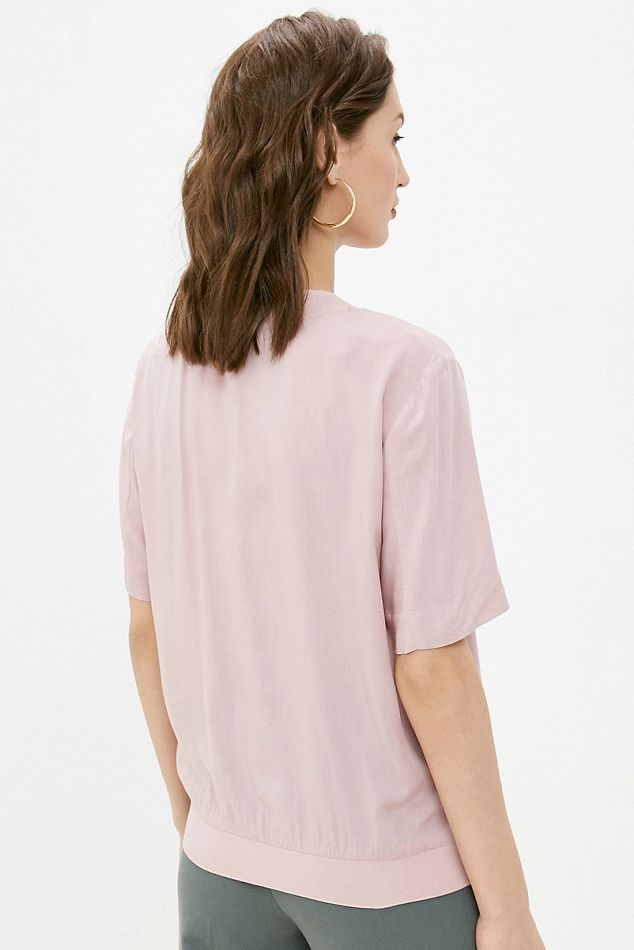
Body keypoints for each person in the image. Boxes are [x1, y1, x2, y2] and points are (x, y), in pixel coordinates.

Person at [119, 10, 546, 950]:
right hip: (385, 882)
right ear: (326, 152)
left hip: (220, 870)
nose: (404, 172)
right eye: (392, 138)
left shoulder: (163, 367)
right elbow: (433, 670)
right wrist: (510, 910)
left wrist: (204, 828)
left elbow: (148, 633)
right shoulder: (407, 372)